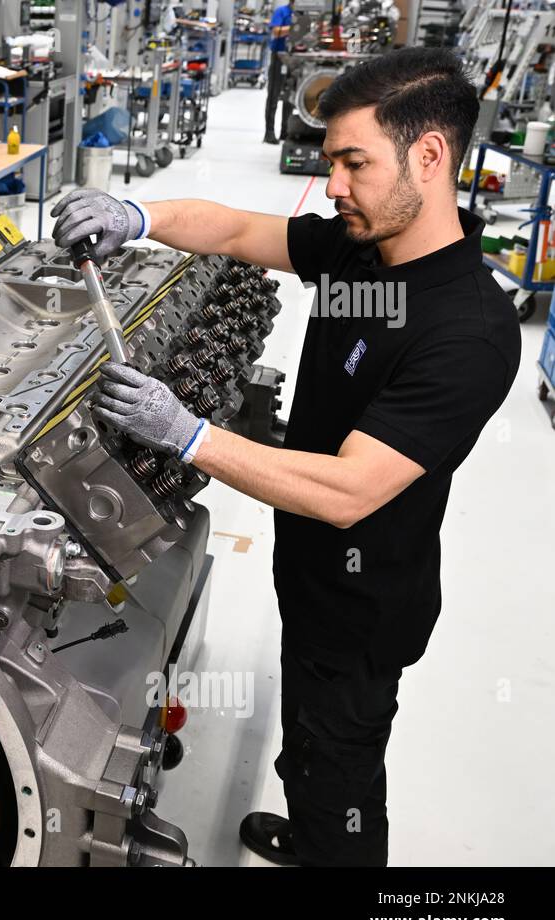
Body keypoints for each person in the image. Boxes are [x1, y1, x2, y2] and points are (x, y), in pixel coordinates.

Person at [51, 48, 520, 865]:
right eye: (332, 159)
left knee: (340, 765)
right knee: (306, 736)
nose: (333, 183)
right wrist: (135, 215)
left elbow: (346, 492)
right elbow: (233, 230)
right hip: (309, 571)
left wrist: (189, 434)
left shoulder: (467, 329)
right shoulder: (362, 253)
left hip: (363, 604)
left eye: (353, 162)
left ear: (431, 156)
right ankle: (308, 826)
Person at [264, 1, 295, 144]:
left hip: (294, 59)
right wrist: (295, 28)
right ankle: (269, 132)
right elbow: (276, 32)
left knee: (290, 96)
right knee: (274, 95)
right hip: (279, 57)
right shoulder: (281, 11)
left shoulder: (303, 15)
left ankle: (285, 131)